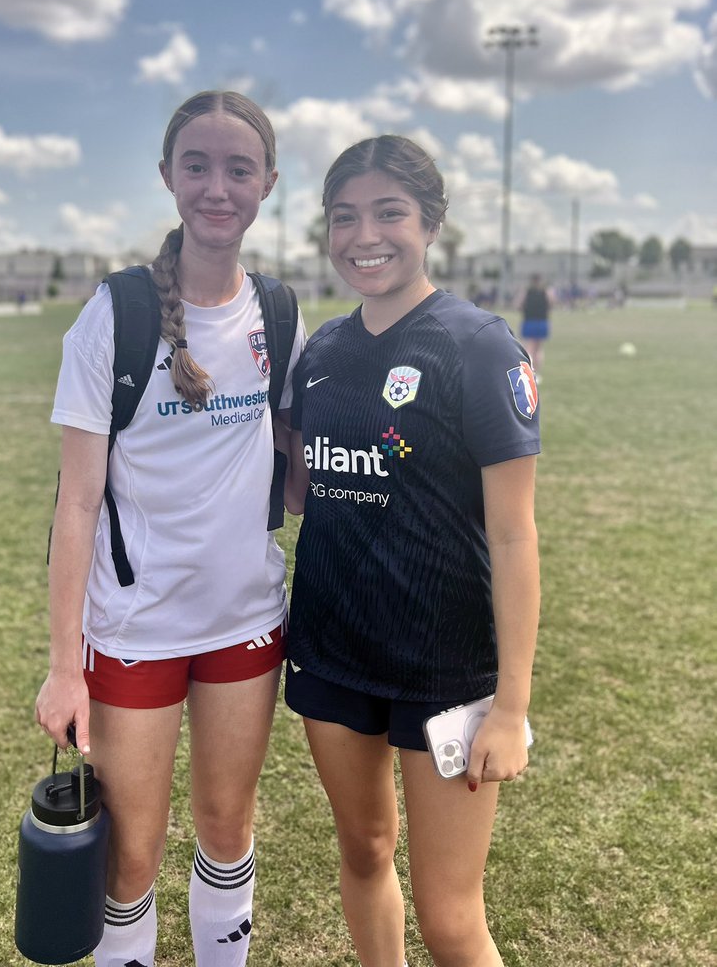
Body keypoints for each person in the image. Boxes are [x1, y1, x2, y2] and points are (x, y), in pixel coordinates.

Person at [35, 91, 305, 967]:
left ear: (268, 181)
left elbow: (295, 479)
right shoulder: (113, 317)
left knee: (227, 828)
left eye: (239, 168)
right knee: (133, 854)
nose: (217, 187)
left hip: (245, 625)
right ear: (168, 177)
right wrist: (62, 668)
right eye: (198, 165)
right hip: (136, 632)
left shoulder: (280, 313)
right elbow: (76, 504)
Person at [279, 136, 540, 967]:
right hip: (331, 652)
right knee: (363, 852)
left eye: (389, 212)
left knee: (452, 917)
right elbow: (302, 488)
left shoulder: (478, 346)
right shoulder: (320, 352)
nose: (367, 234)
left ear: (429, 222)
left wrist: (510, 706)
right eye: (344, 216)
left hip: (445, 670)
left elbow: (513, 533)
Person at [518, 274, 552, 378]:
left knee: (528, 348)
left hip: (529, 321)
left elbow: (518, 304)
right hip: (542, 321)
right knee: (538, 349)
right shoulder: (546, 291)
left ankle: (529, 373)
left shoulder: (527, 292)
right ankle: (537, 374)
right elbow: (551, 303)